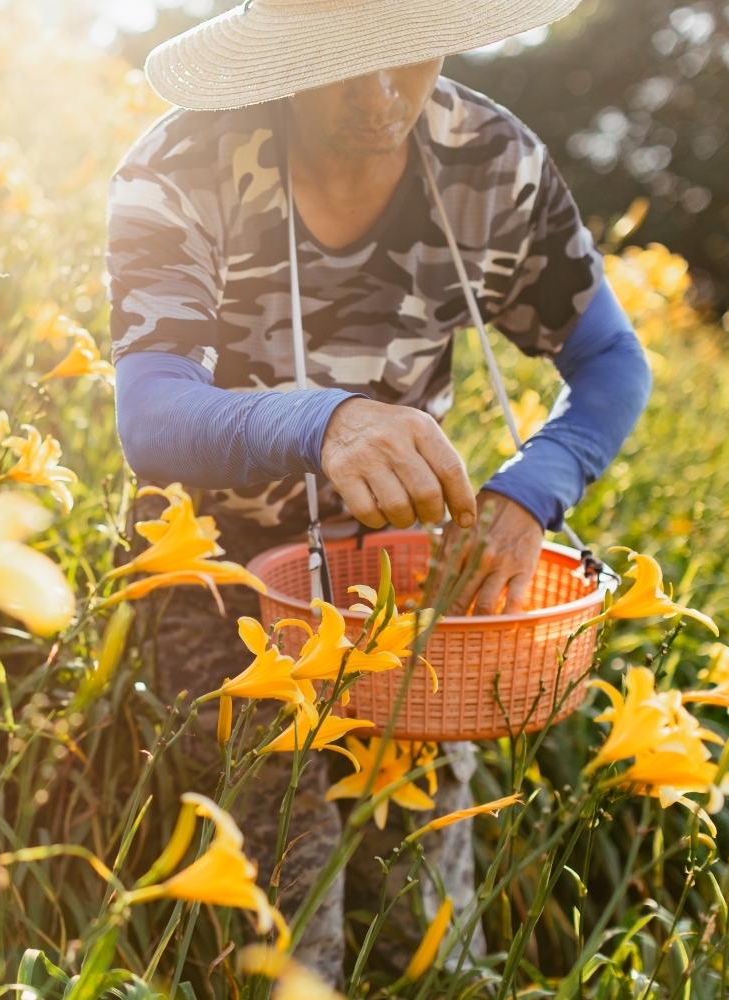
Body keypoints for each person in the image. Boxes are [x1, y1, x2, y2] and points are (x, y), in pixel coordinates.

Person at [108, 0, 651, 984]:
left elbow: (612, 360)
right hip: (215, 579)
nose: (381, 96)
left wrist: (532, 490)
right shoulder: (183, 163)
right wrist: (326, 424)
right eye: (340, 64)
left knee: (433, 931)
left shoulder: (493, 162)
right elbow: (150, 414)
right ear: (281, 52)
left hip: (394, 586)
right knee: (294, 908)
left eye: (405, 58)